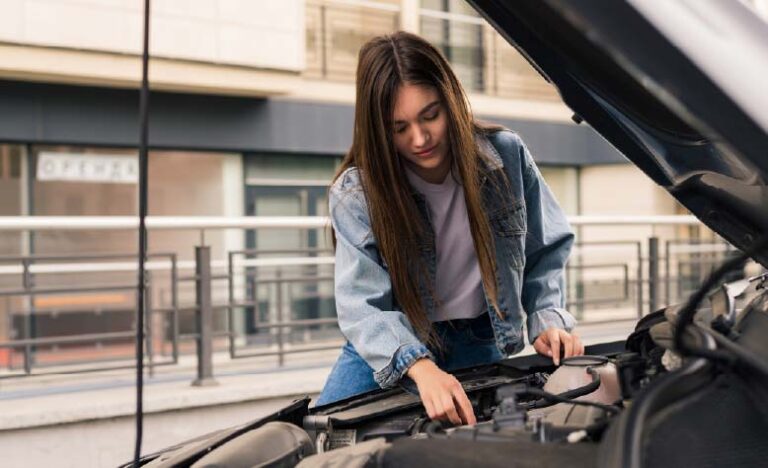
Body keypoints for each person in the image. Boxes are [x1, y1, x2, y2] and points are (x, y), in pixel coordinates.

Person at [315, 31, 584, 425]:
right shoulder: (357, 193)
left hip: (480, 338)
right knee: (322, 440)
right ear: (377, 129)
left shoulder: (506, 156)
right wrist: (420, 368)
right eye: (399, 127)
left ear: (452, 101)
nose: (420, 138)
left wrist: (546, 316)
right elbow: (362, 305)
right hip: (393, 345)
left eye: (430, 115)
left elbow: (545, 248)